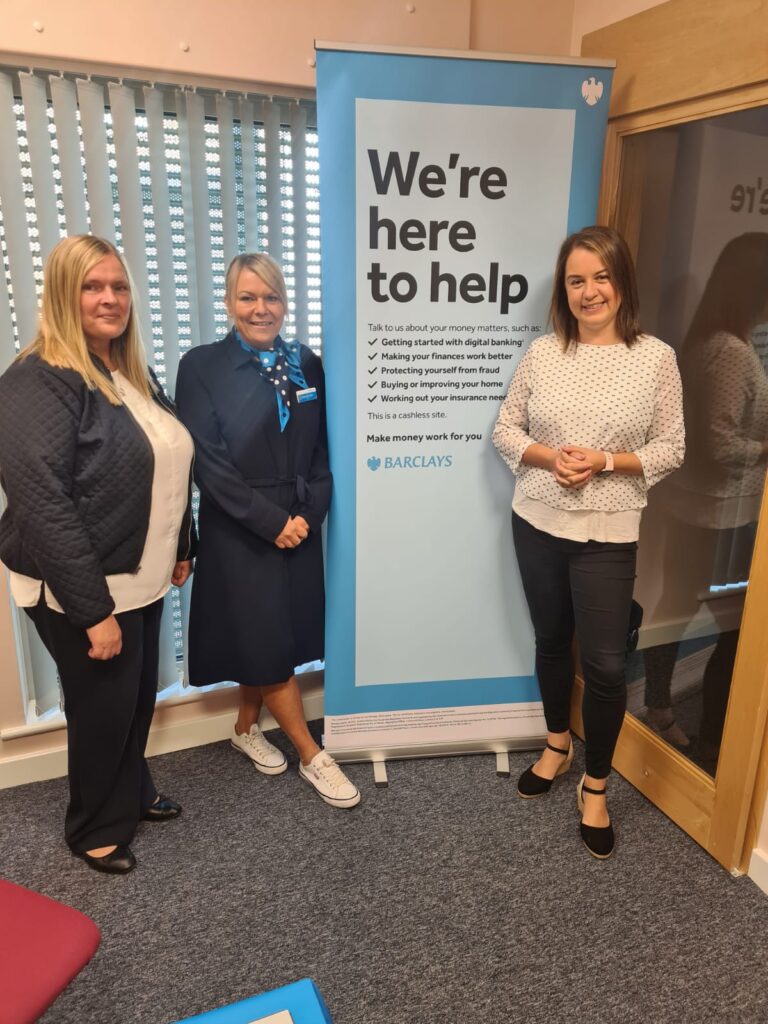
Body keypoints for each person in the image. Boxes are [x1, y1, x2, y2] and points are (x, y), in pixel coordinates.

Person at [0, 235, 195, 875]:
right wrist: (92, 611)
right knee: (102, 708)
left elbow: (167, 459)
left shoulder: (128, 372)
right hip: (82, 587)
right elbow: (42, 503)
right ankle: (93, 828)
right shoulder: (37, 380)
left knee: (135, 701)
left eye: (117, 285)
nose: (110, 298)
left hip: (138, 574)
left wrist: (182, 542)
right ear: (63, 294)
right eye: (92, 286)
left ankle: (131, 794)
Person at [492, 225, 685, 858]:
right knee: (551, 640)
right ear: (564, 289)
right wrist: (552, 459)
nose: (589, 291)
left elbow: (671, 447)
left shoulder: (656, 358)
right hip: (537, 522)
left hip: (607, 532)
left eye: (601, 277)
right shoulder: (544, 353)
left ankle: (595, 785)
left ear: (621, 282)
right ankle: (556, 744)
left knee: (603, 665)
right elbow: (504, 431)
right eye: (576, 280)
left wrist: (604, 460)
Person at [175, 253, 360, 809]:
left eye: (272, 297)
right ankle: (311, 753)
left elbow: (324, 451)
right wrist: (269, 522)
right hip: (240, 524)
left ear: (285, 302)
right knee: (267, 638)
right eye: (248, 298)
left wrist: (312, 515)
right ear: (229, 304)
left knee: (276, 633)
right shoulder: (201, 365)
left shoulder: (307, 362)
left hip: (300, 519)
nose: (262, 309)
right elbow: (207, 463)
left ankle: (243, 727)